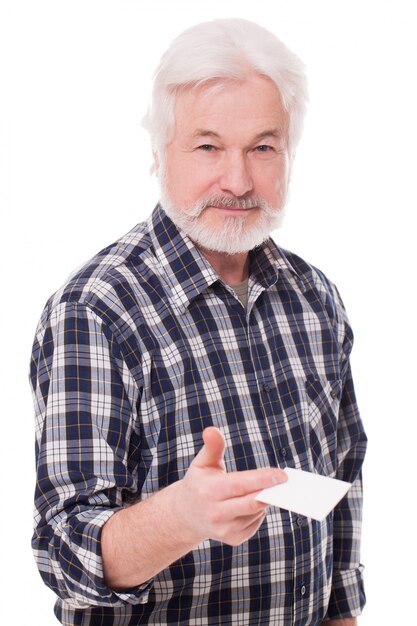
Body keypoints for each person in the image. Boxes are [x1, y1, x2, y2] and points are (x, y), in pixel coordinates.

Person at [29, 18, 367, 626]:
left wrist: (343, 611)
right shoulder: (96, 311)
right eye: (208, 146)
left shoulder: (315, 297)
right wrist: (179, 518)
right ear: (159, 152)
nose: (238, 181)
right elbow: (62, 555)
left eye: (263, 147)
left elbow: (343, 472)